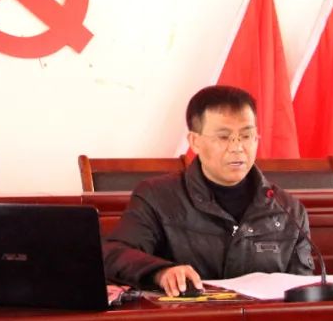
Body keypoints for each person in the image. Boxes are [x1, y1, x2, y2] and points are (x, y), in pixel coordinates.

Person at [103, 85, 314, 296]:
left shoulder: (288, 210)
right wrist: (160, 272)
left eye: (246, 136)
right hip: (187, 316)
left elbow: (304, 293)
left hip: (261, 317)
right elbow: (114, 254)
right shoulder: (157, 197)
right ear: (195, 142)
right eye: (224, 137)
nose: (237, 147)